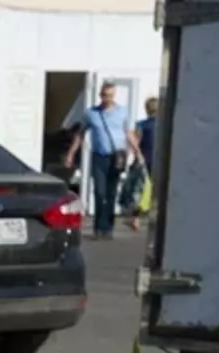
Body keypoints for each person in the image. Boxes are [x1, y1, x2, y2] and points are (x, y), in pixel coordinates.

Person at [63, 82, 144, 239]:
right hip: (99, 156)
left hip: (117, 156)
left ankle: (108, 228)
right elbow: (80, 134)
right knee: (100, 192)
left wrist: (137, 152)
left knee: (111, 192)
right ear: (100, 95)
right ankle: (99, 227)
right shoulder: (91, 113)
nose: (108, 99)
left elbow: (128, 133)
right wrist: (71, 154)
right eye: (105, 95)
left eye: (111, 95)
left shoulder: (122, 113)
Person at [124, 97, 159, 230]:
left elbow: (136, 143)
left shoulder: (141, 125)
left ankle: (136, 218)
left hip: (144, 159)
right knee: (156, 190)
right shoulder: (163, 124)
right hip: (158, 161)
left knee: (142, 189)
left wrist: (133, 159)